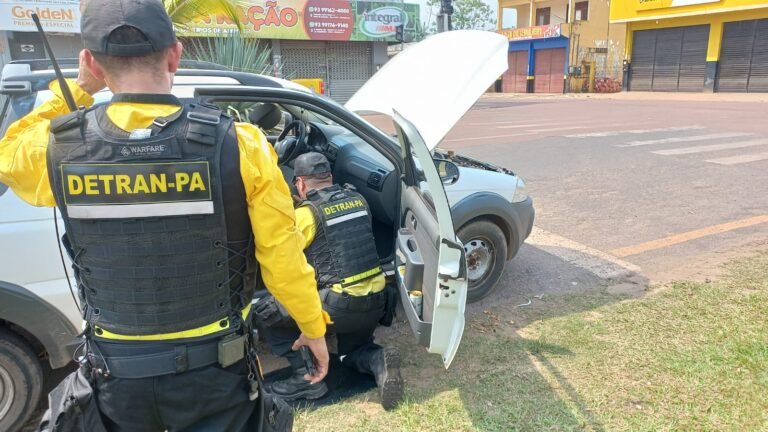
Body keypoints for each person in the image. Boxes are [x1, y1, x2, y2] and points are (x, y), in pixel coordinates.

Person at [0, 0, 330, 430]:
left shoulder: (56, 148)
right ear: (174, 54)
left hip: (116, 381)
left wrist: (76, 92)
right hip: (216, 373)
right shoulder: (242, 144)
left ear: (92, 65)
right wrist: (312, 326)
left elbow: (8, 154)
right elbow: (282, 257)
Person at [255, 152, 403, 410]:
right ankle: (379, 360)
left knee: (268, 312)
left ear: (300, 184)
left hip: (339, 306)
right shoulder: (359, 200)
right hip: (377, 301)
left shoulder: (307, 214)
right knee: (350, 354)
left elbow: (283, 260)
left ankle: (306, 380)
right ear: (330, 178)